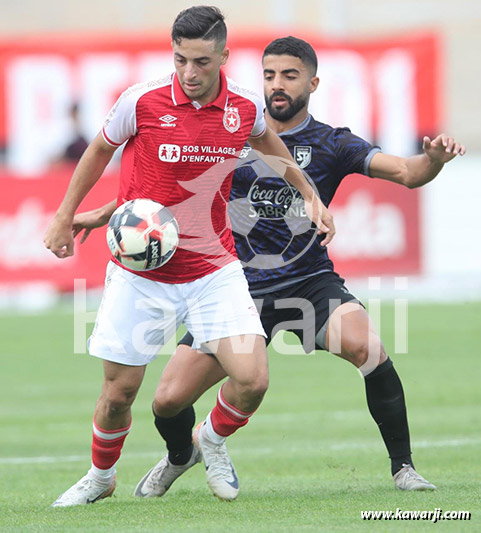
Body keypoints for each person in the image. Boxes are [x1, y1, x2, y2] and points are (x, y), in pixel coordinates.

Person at [72, 37, 465, 499]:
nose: (277, 85)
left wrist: (433, 161)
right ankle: (183, 454)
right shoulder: (230, 130)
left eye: (290, 75)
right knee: (166, 402)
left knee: (369, 348)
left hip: (309, 283)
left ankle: (404, 469)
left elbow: (407, 172)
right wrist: (103, 215)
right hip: (236, 286)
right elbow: (168, 193)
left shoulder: (332, 143)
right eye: (270, 75)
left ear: (313, 83)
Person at [44, 11, 333, 507]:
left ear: (223, 56)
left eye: (202, 61)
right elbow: (98, 151)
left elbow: (269, 143)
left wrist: (309, 195)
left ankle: (211, 441)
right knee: (118, 394)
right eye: (181, 59)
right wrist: (64, 215)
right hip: (139, 272)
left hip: (212, 269)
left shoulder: (242, 105)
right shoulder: (141, 100)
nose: (189, 72)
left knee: (252, 379)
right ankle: (100, 476)